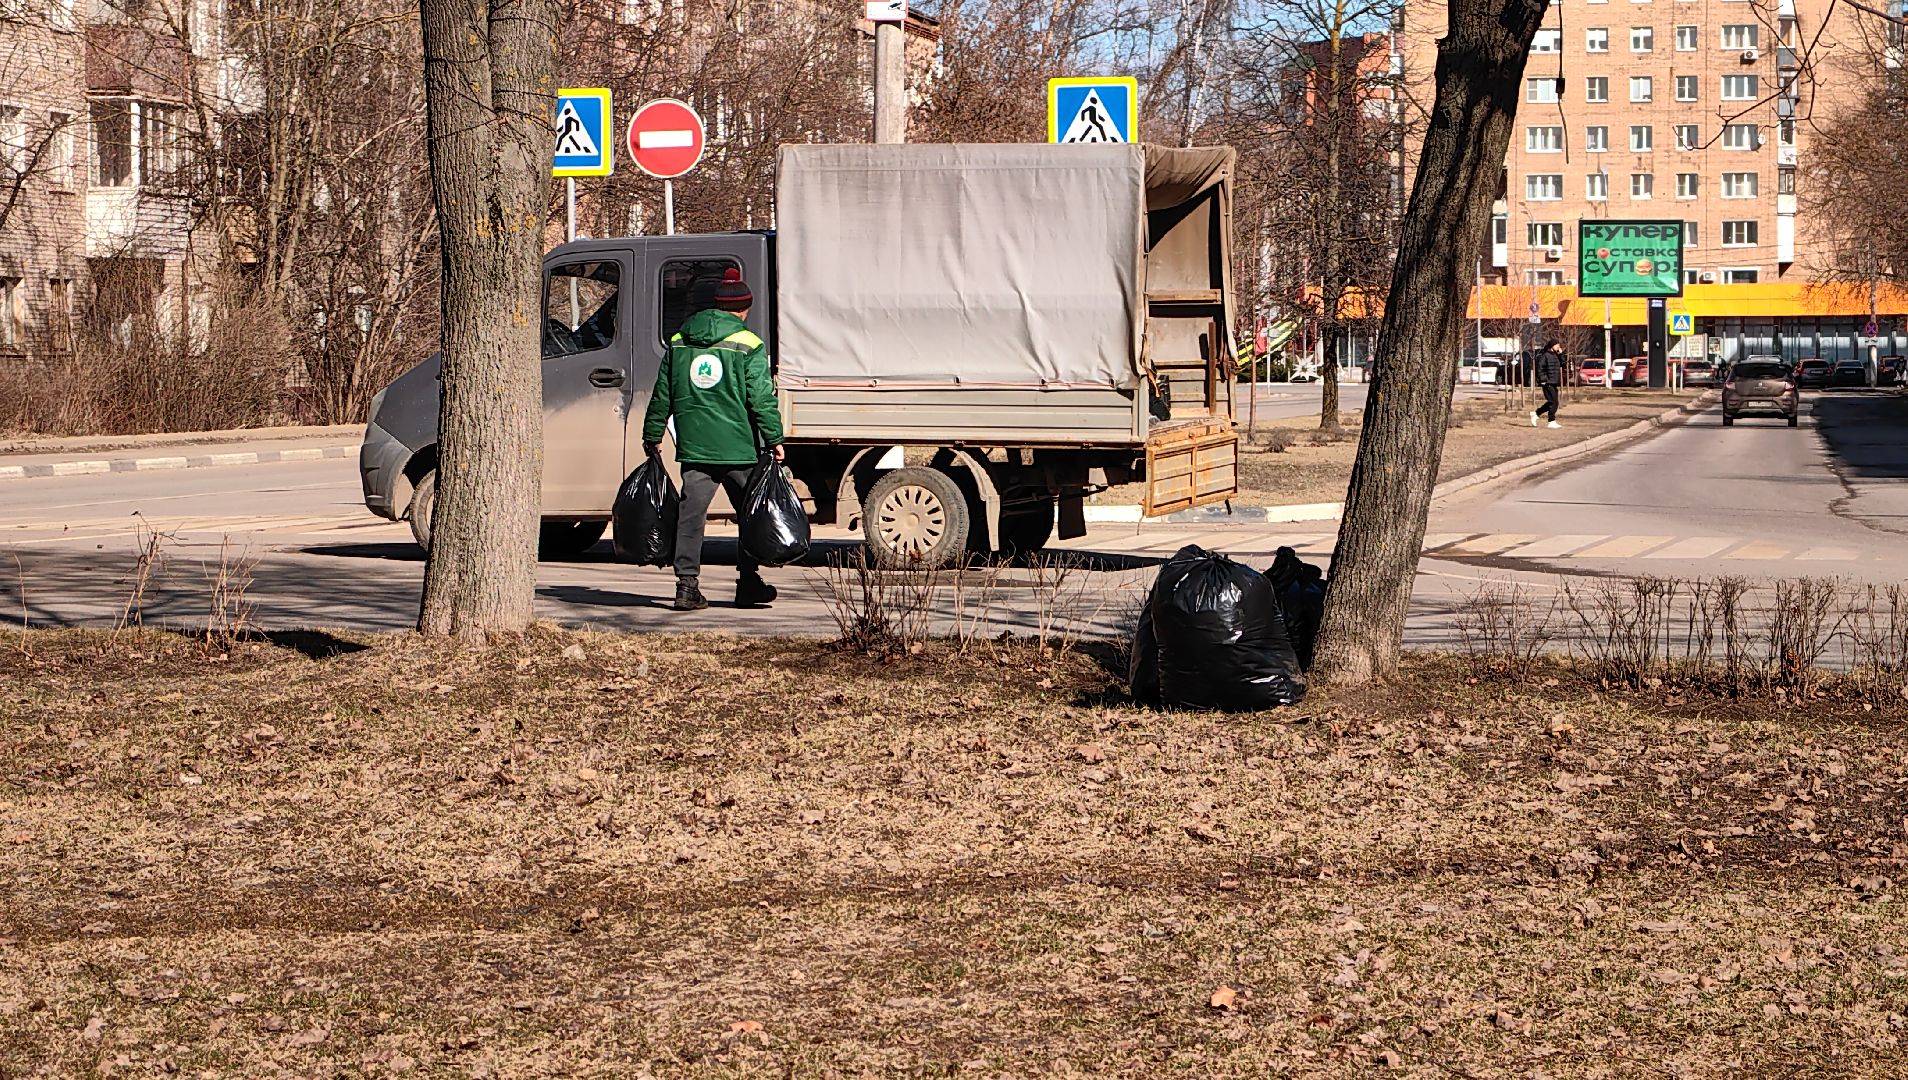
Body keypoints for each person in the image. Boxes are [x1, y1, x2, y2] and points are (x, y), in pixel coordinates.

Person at [641, 268, 785, 611]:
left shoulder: (678, 341)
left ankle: (687, 587)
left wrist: (653, 433)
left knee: (691, 517)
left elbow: (663, 393)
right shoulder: (748, 344)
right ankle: (748, 583)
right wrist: (774, 437)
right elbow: (760, 397)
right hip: (740, 448)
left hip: (695, 447)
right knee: (749, 516)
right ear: (743, 309)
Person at [1531, 338, 1565, 428]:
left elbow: (1563, 364)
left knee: (1552, 402)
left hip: (1554, 381)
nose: (1558, 346)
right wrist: (1543, 380)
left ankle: (1536, 413)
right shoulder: (1545, 355)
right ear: (1552, 346)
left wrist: (1561, 354)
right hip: (1547, 382)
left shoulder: (1556, 355)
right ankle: (1551, 421)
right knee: (1554, 402)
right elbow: (1540, 368)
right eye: (1557, 345)